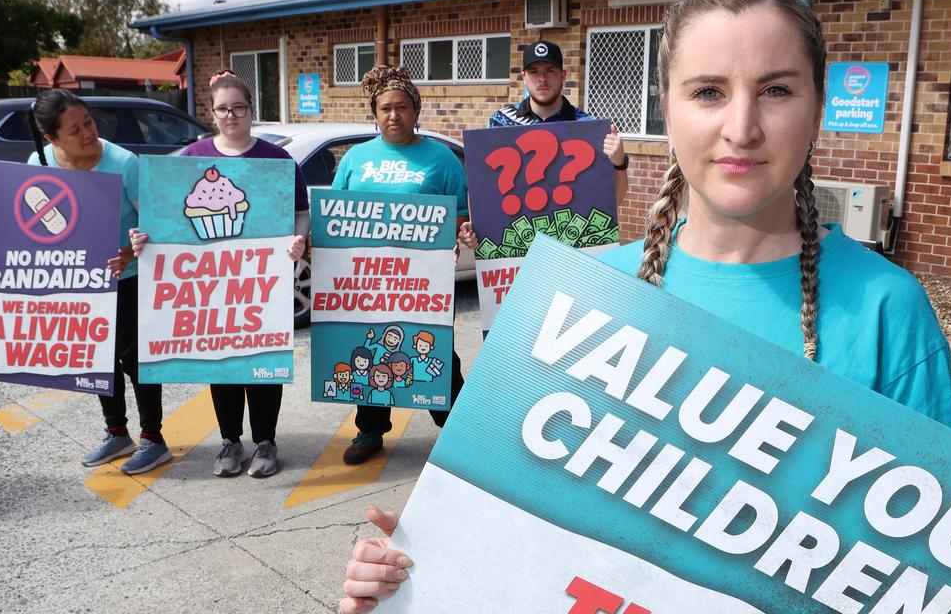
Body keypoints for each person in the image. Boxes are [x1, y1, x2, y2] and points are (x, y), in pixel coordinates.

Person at [337, 0, 951, 612]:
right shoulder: (581, 292)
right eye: (709, 92)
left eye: (775, 90)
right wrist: (416, 582)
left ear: (819, 106)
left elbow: (912, 583)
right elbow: (518, 537)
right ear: (668, 106)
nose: (742, 127)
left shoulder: (889, 313)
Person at [0, 89, 170, 474]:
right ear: (52, 139)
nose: (87, 134)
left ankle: (153, 440)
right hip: (79, 280)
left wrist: (130, 252)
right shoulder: (41, 160)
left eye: (89, 123)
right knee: (96, 357)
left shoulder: (123, 163)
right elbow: (25, 225)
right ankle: (117, 432)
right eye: (75, 130)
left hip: (127, 278)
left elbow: (158, 224)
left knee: (137, 361)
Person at [131, 69, 310, 479]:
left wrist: (297, 242)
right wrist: (145, 242)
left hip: (262, 281)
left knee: (262, 361)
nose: (231, 116)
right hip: (210, 285)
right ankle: (230, 440)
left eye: (239, 108)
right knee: (222, 363)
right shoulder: (192, 160)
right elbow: (164, 219)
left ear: (251, 110)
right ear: (212, 113)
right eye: (223, 109)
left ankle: (266, 441)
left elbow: (301, 214)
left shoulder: (277, 160)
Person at [330, 64, 469, 466]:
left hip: (422, 280)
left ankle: (457, 430)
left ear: (416, 110)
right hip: (366, 280)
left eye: (403, 107)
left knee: (435, 348)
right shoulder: (356, 158)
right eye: (386, 108)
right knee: (369, 347)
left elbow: (459, 214)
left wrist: (457, 234)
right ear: (374, 113)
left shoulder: (441, 159)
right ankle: (370, 429)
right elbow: (335, 214)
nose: (394, 115)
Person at [487, 39, 629, 205]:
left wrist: (619, 164)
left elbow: (613, 202)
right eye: (534, 71)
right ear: (524, 77)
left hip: (569, 227)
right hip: (516, 227)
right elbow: (483, 185)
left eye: (550, 70)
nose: (542, 78)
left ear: (563, 75)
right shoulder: (500, 122)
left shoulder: (587, 127)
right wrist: (475, 223)